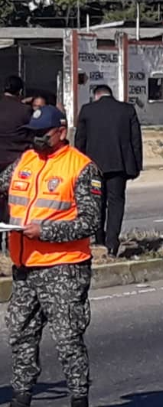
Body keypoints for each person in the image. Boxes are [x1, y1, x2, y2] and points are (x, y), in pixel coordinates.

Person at [0, 105, 102, 407]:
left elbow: (90, 221)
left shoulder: (82, 168)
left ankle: (78, 398)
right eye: (32, 135)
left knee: (67, 339)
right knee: (20, 333)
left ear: (61, 131)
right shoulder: (26, 160)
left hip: (64, 268)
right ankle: (21, 396)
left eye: (42, 134)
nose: (36, 140)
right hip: (25, 266)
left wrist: (45, 231)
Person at [75, 85, 143, 257]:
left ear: (96, 96)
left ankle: (99, 240)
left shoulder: (87, 110)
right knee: (116, 202)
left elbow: (80, 141)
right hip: (118, 166)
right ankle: (112, 242)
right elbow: (136, 140)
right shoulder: (127, 110)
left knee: (97, 203)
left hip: (93, 167)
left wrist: (79, 167)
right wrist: (136, 166)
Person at [0, 76, 33, 224]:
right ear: (20, 91)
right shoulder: (25, 111)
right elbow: (32, 133)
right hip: (17, 160)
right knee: (16, 197)